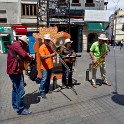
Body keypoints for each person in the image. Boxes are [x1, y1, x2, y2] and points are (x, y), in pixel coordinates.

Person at [6, 36, 32, 115]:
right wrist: (30, 58)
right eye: (25, 44)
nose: (25, 46)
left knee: (15, 89)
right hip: (15, 71)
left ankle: (15, 105)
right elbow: (24, 55)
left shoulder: (14, 44)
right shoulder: (17, 45)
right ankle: (20, 109)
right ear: (23, 42)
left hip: (13, 70)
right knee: (20, 90)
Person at [39, 34, 56, 98]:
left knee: (48, 79)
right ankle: (42, 91)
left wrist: (54, 50)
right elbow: (43, 57)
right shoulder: (42, 47)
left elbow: (54, 54)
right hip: (44, 67)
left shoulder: (49, 46)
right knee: (44, 79)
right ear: (44, 40)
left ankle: (47, 90)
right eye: (47, 40)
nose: (48, 41)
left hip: (50, 65)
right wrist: (52, 55)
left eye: (48, 40)